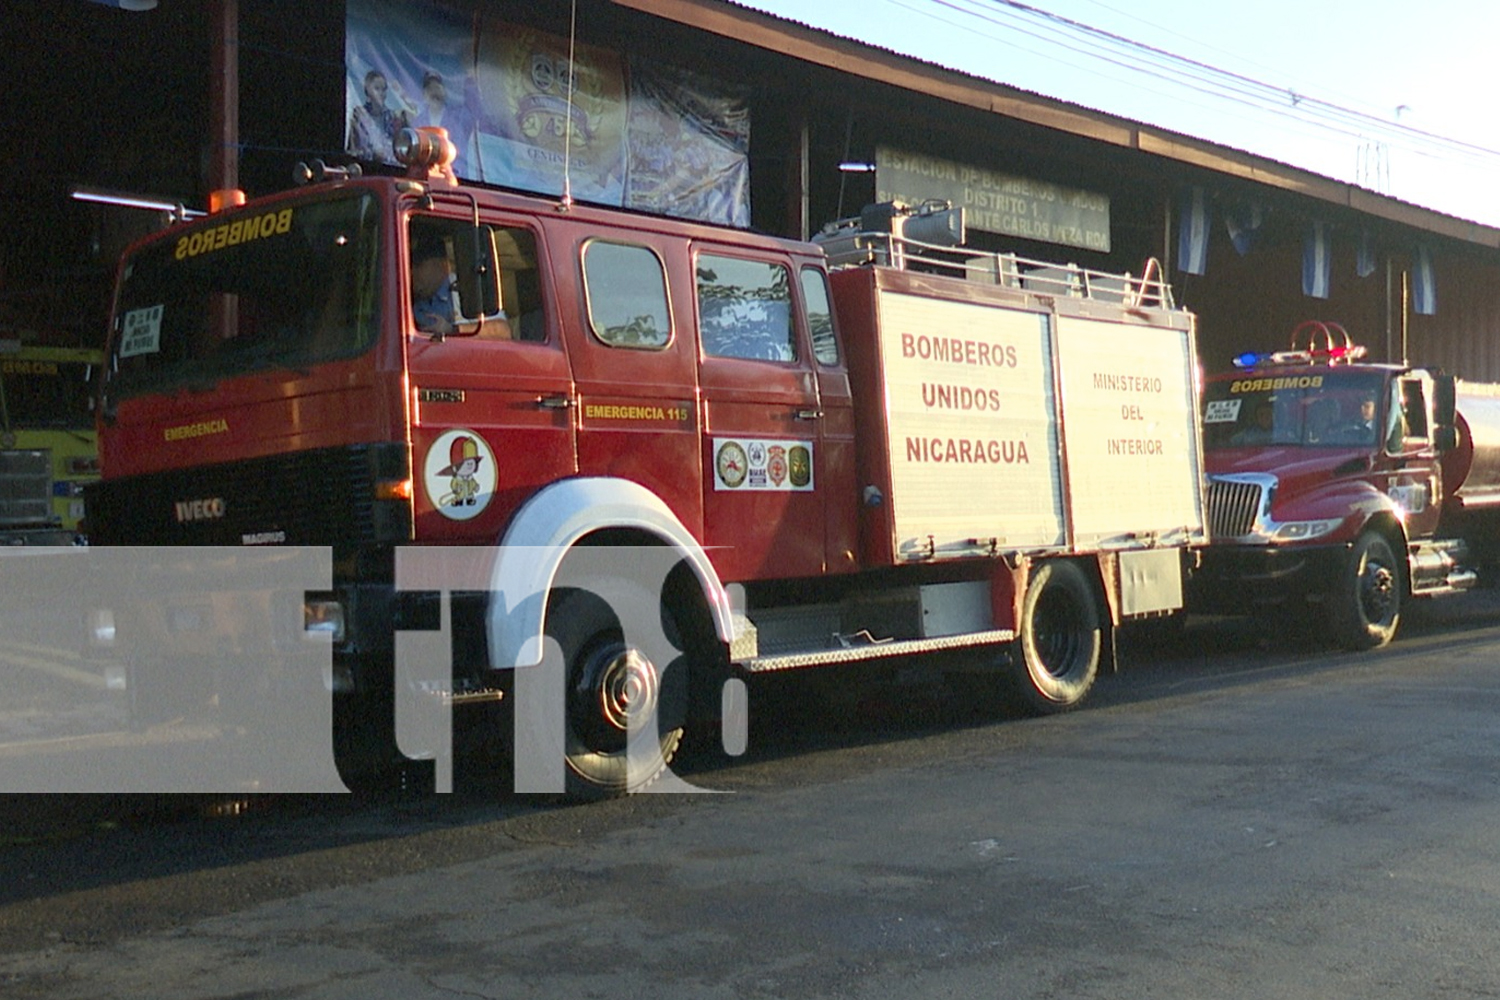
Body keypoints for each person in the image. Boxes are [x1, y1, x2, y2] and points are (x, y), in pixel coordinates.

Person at [410, 236, 511, 338]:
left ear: (442, 265)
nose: (412, 273)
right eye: (409, 266)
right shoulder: (414, 303)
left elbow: (502, 331)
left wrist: (452, 330)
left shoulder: (467, 288)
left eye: (418, 265)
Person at [346, 70, 408, 165]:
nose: (381, 93)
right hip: (364, 168)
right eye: (377, 88)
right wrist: (372, 154)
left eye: (384, 89)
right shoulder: (358, 115)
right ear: (367, 90)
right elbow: (353, 148)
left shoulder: (394, 117)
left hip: (391, 169)